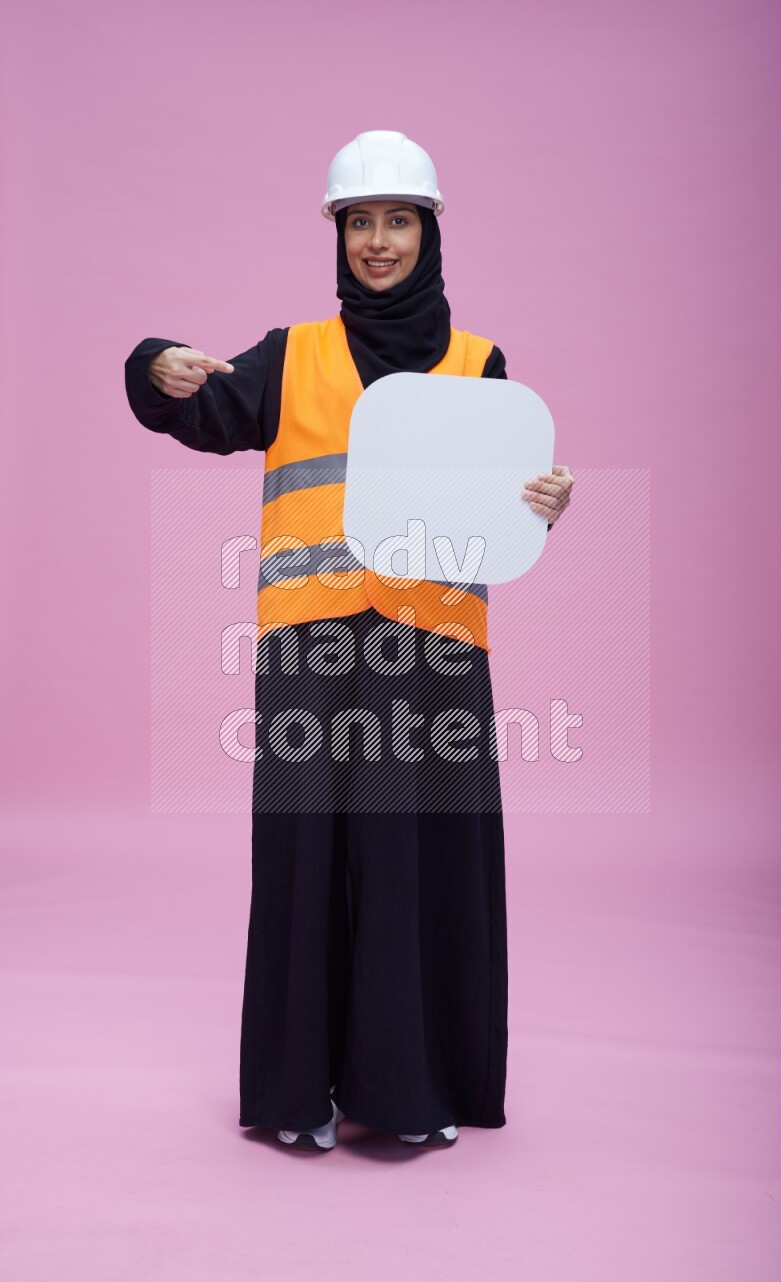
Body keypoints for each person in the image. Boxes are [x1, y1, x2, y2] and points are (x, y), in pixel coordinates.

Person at [124, 130, 574, 1153]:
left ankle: (415, 1091)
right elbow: (197, 411)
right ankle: (295, 1095)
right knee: (304, 861)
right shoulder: (290, 355)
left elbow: (502, 511)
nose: (378, 241)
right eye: (359, 221)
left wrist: (544, 506)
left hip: (434, 650)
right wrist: (156, 367)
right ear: (337, 234)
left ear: (429, 232)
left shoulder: (480, 365)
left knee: (420, 863)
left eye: (397, 221)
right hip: (312, 652)